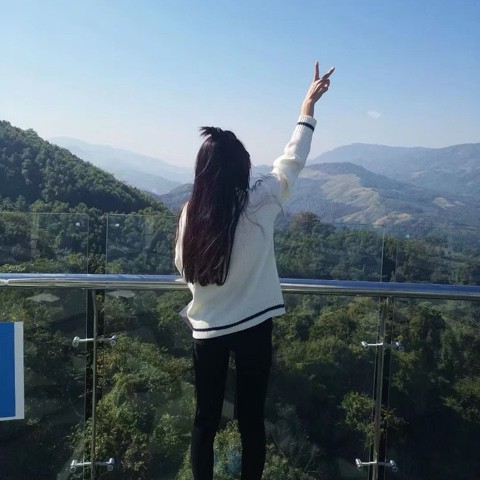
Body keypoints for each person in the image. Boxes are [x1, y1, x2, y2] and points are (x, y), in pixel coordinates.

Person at [175, 61, 335, 480]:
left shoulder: (192, 213)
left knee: (204, 421)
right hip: (255, 326)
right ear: (240, 168)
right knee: (251, 420)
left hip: (207, 328)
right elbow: (291, 161)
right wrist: (306, 109)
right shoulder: (259, 202)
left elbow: (183, 267)